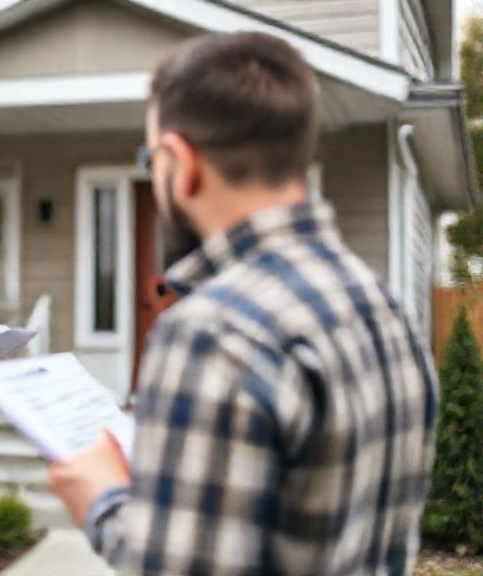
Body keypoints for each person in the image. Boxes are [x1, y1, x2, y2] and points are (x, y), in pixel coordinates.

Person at [48, 32, 437, 575]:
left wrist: (103, 497)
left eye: (151, 157)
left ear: (180, 163)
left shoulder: (212, 333)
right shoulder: (383, 305)